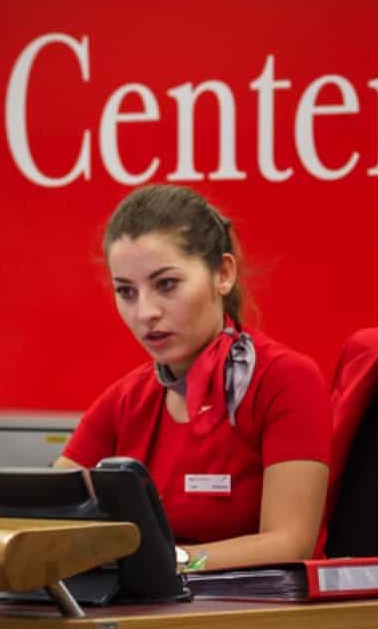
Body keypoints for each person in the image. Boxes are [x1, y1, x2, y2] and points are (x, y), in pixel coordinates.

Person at [55, 184, 332, 573]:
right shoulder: (126, 399)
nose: (145, 312)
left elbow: (290, 543)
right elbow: (46, 514)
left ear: (223, 274)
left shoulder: (286, 380)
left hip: (259, 622)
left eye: (166, 285)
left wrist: (171, 561)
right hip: (146, 615)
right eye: (126, 291)